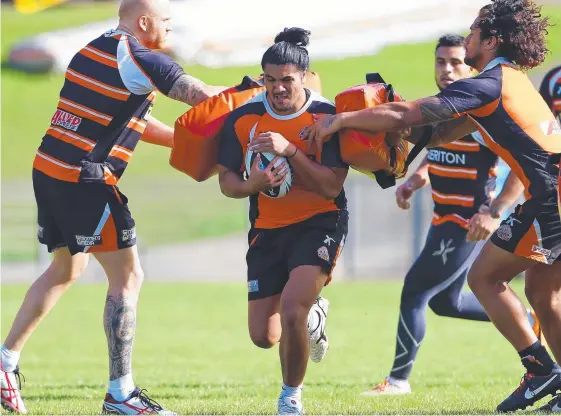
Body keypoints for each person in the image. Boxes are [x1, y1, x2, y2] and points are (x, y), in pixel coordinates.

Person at [304, 0, 561, 412]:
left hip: (552, 195)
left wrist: (342, 121)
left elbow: (411, 111)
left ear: (492, 40)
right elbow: (438, 130)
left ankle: (541, 370)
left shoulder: (489, 83)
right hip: (551, 192)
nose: (469, 35)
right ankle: (548, 375)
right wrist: (398, 148)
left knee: (486, 278)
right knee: (542, 295)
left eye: (475, 31)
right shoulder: (506, 81)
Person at [0, 0, 226, 414]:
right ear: (145, 22)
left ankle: (4, 362)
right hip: (83, 179)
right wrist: (257, 103)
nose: (170, 29)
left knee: (68, 268)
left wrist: (183, 142)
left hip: (50, 168)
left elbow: (132, 122)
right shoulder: (139, 55)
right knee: (128, 276)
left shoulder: (92, 48)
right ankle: (120, 395)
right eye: (166, 23)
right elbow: (199, 96)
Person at [361, 34, 543, 397]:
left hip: (465, 225)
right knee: (448, 302)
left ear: (471, 65)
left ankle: (398, 380)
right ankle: (527, 319)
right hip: (442, 220)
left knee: (414, 291)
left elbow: (523, 169)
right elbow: (438, 144)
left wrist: (494, 211)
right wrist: (416, 179)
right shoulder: (446, 108)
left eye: (456, 62)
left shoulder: (481, 110)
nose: (447, 69)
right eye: (440, 61)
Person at [217, 27, 349, 415]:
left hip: (320, 221)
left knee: (293, 309)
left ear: (305, 77)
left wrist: (289, 149)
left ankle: (290, 398)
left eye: (286, 80)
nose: (277, 89)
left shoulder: (326, 117)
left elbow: (330, 186)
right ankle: (314, 316)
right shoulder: (243, 119)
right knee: (264, 336)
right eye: (269, 80)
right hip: (267, 229)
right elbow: (227, 183)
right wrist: (252, 184)